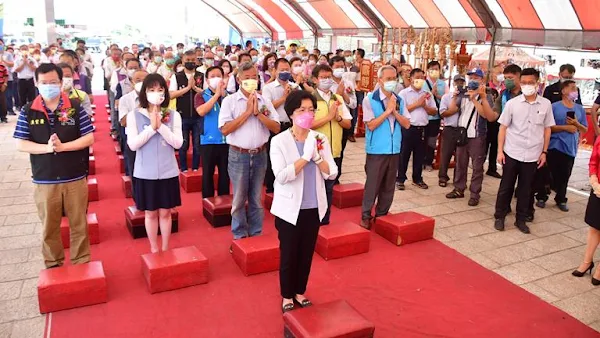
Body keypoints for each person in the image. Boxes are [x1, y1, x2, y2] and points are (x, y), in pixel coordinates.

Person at [13, 63, 94, 268]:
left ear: (61, 83)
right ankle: (53, 263)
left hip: (74, 176)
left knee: (79, 224)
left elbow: (89, 138)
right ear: (36, 83)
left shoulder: (74, 107)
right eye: (44, 83)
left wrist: (64, 147)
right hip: (44, 178)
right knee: (49, 226)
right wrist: (48, 148)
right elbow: (21, 143)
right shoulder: (28, 110)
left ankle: (81, 261)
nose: (49, 86)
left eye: (53, 82)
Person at [270, 90, 338, 313]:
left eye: (311, 110)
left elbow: (332, 173)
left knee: (307, 253)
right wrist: (305, 158)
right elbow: (281, 176)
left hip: (313, 205)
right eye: (302, 110)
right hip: (289, 208)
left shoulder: (319, 139)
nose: (307, 114)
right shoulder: (279, 140)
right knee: (289, 253)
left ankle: (300, 291)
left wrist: (317, 158)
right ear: (291, 113)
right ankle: (287, 295)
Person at [218, 61, 280, 247]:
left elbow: (276, 127)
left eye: (254, 77)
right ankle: (239, 236)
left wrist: (259, 114)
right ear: (238, 80)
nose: (252, 81)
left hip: (260, 154)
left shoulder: (264, 101)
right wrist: (246, 113)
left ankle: (256, 234)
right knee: (238, 199)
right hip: (239, 155)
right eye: (247, 78)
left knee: (256, 198)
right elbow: (225, 129)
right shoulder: (230, 101)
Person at [126, 74, 183, 253]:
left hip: (168, 171)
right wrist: (151, 128)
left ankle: (165, 248)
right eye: (151, 90)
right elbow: (133, 145)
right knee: (150, 213)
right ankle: (153, 248)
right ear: (144, 92)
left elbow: (178, 143)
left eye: (160, 90)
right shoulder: (134, 115)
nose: (156, 94)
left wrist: (161, 126)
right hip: (145, 172)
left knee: (166, 212)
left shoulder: (174, 115)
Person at [493, 68, 555, 234]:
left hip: (533, 155)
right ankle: (499, 216)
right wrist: (500, 151)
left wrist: (544, 152)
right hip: (512, 152)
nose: (527, 85)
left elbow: (547, 129)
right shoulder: (513, 104)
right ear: (520, 83)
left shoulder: (545, 104)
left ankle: (521, 219)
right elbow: (503, 128)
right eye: (524, 83)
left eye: (531, 82)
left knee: (526, 188)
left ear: (538, 83)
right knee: (506, 186)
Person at [360, 66, 410, 229]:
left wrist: (394, 112)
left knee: (389, 184)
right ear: (380, 80)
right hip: (376, 149)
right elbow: (371, 125)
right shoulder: (370, 99)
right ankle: (366, 215)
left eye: (394, 78)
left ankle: (382, 214)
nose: (392, 82)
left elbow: (407, 123)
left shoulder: (399, 100)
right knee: (373, 184)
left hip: (394, 148)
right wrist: (387, 111)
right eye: (388, 79)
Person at [531, 80, 587, 212]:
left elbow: (584, 129)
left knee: (565, 175)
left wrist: (576, 125)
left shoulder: (579, 109)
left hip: (570, 147)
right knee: (546, 173)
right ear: (563, 91)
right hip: (554, 145)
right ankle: (541, 196)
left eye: (576, 88)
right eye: (572, 88)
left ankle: (561, 198)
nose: (575, 90)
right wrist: (565, 127)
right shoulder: (554, 107)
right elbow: (548, 127)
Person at [444, 68, 496, 206]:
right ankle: (459, 188)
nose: (472, 80)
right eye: (471, 77)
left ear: (482, 80)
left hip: (477, 135)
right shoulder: (463, 93)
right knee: (460, 163)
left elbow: (485, 115)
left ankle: (475, 193)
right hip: (462, 134)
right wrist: (455, 97)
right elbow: (452, 109)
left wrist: (475, 99)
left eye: (476, 78)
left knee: (477, 166)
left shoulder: (487, 95)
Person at [310, 64, 352, 225]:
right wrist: (328, 117)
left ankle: (325, 220)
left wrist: (338, 118)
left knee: (329, 187)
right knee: (315, 188)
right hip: (315, 152)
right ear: (315, 79)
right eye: (323, 77)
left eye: (329, 77)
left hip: (334, 150)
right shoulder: (310, 99)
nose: (327, 80)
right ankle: (313, 219)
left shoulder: (338, 99)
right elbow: (307, 125)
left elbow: (348, 124)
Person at [397, 68, 438, 190]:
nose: (419, 80)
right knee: (404, 154)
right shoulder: (404, 93)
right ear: (411, 79)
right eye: (417, 77)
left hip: (423, 128)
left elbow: (433, 111)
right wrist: (417, 104)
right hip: (408, 127)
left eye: (422, 77)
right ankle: (400, 179)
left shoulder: (427, 94)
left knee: (420, 155)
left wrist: (424, 106)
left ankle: (417, 178)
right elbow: (400, 111)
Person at [195, 66, 231, 198]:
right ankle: (207, 202)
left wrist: (222, 94)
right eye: (212, 76)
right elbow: (201, 111)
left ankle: (224, 203)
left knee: (225, 175)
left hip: (226, 140)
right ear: (207, 80)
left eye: (218, 75)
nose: (216, 79)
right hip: (208, 141)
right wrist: (216, 95)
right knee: (208, 175)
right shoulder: (201, 95)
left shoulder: (229, 96)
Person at [169, 50, 204, 172]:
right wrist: (187, 89)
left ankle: (195, 167)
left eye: (192, 60)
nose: (190, 63)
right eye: (187, 61)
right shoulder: (176, 76)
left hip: (198, 115)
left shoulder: (201, 76)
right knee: (183, 144)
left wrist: (195, 88)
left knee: (197, 144)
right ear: (182, 61)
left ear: (197, 61)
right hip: (182, 115)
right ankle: (183, 168)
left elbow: (207, 94)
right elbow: (172, 94)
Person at [263, 58, 294, 194]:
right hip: (274, 126)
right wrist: (284, 97)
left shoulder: (294, 87)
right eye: (282, 70)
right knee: (273, 156)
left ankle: (288, 183)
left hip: (291, 125)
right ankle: (271, 185)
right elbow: (266, 108)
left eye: (287, 69)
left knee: (289, 155)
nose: (285, 72)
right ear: (274, 71)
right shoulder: (268, 88)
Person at [489, 65, 523, 178]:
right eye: (506, 78)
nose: (507, 81)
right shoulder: (504, 95)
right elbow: (494, 115)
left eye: (511, 78)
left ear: (519, 77)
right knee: (508, 171)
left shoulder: (527, 94)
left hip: (524, 137)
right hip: (508, 136)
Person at [576, 137, 600, 285]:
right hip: (598, 186)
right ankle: (587, 261)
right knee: (594, 226)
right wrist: (594, 181)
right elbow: (594, 161)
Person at [119, 69, 148, 178]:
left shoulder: (156, 98)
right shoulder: (125, 99)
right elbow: (124, 122)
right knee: (135, 173)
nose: (141, 83)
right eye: (138, 80)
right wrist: (142, 103)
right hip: (133, 139)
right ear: (132, 82)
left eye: (145, 80)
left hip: (152, 140)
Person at [438, 75, 466, 187]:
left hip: (462, 130)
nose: (459, 83)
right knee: (446, 154)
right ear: (453, 83)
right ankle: (443, 177)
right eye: (457, 81)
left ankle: (458, 180)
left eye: (461, 81)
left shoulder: (467, 97)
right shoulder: (446, 97)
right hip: (450, 128)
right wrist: (454, 109)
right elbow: (443, 113)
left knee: (461, 157)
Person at [422, 61, 448, 171]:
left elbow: (447, 100)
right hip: (424, 116)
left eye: (437, 69)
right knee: (422, 139)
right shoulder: (422, 83)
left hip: (435, 117)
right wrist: (431, 93)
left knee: (432, 140)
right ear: (428, 70)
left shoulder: (443, 84)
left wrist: (437, 95)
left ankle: (428, 161)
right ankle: (420, 160)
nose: (434, 71)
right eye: (432, 69)